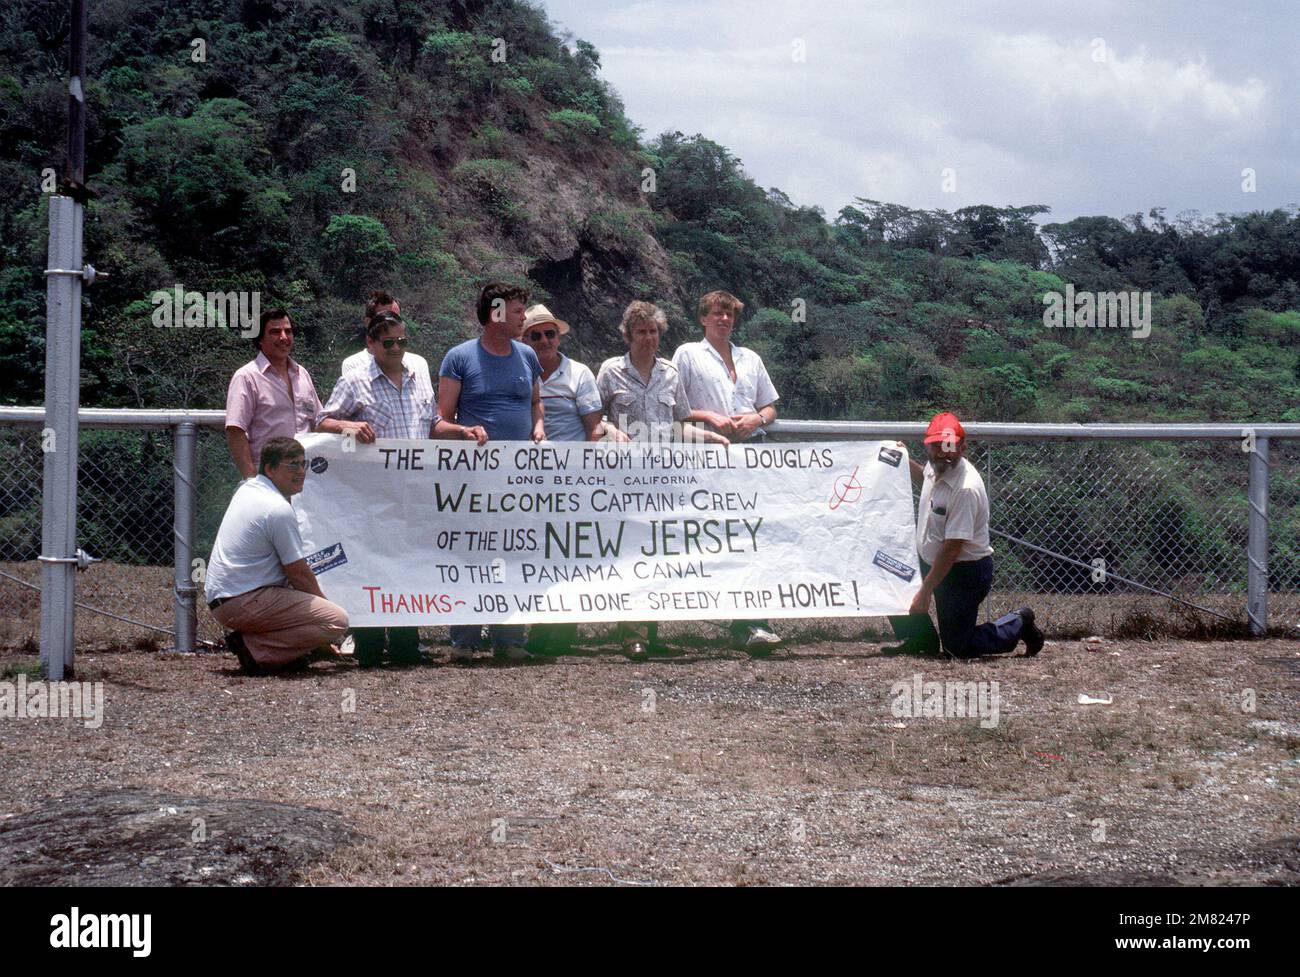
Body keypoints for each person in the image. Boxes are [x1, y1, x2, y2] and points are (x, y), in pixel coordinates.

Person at [598, 300, 729, 658]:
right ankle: (631, 634)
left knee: (656, 551)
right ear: (627, 335)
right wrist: (610, 430)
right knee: (627, 551)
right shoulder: (610, 372)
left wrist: (711, 437)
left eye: (653, 331)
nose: (648, 338)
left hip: (663, 481)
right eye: (641, 332)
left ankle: (649, 631)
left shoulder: (671, 372)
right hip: (621, 481)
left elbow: (680, 426)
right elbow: (593, 420)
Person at [315, 310, 438, 666]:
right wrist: (346, 427)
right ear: (371, 344)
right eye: (388, 343)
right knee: (371, 565)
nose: (396, 348)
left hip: (413, 491)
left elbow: (432, 424)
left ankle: (405, 645)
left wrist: (462, 432)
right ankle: (369, 645)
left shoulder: (419, 378)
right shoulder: (356, 382)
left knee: (409, 565)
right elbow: (321, 420)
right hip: (369, 492)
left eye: (402, 341)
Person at [436, 282, 544, 662]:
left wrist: (539, 427)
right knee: (471, 554)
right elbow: (439, 424)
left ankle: (509, 637)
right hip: (473, 482)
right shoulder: (459, 358)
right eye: (517, 311)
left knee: (513, 552)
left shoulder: (528, 356)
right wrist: (464, 432)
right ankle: (464, 639)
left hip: (518, 482)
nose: (523, 318)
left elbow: (535, 404)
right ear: (495, 313)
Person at [671, 289, 782, 655]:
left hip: (753, 454)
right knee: (716, 534)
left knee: (754, 534)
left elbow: (769, 407)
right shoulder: (687, 355)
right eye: (717, 313)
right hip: (708, 454)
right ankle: (722, 614)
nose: (724, 319)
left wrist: (757, 417)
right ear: (703, 318)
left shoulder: (750, 358)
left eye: (730, 314)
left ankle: (754, 621)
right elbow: (676, 409)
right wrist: (709, 417)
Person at [884, 411, 1045, 658]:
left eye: (950, 447)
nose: (943, 452)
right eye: (937, 446)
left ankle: (1019, 622)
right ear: (928, 445)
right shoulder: (936, 464)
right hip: (931, 560)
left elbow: (952, 549)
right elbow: (924, 480)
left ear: (963, 448)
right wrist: (905, 462)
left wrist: (925, 592)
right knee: (889, 576)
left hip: (963, 572)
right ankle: (921, 641)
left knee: (957, 648)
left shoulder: (966, 488)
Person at [205, 436, 349, 675]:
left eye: (304, 464)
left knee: (312, 605)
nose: (301, 471)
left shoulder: (248, 488)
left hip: (225, 598)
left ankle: (271, 647)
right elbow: (298, 574)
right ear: (271, 469)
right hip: (243, 600)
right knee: (336, 620)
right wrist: (323, 608)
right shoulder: (277, 509)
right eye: (292, 465)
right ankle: (255, 649)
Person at [519, 303, 603, 657]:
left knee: (566, 552)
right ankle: (536, 622)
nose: (544, 340)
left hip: (570, 479)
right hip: (525, 479)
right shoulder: (518, 369)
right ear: (526, 339)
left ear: (559, 336)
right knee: (534, 552)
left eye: (549, 333)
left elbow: (594, 428)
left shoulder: (579, 373)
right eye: (536, 335)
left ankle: (561, 626)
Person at [224, 308, 322, 479]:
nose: (284, 337)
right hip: (267, 476)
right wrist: (251, 480)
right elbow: (235, 431)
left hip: (305, 476)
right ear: (260, 339)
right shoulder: (247, 377)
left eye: (288, 331)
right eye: (275, 332)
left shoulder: (302, 374)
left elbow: (319, 421)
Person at [341, 290, 433, 389]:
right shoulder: (354, 365)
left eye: (396, 318)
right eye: (385, 319)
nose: (392, 324)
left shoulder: (418, 364)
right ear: (368, 322)